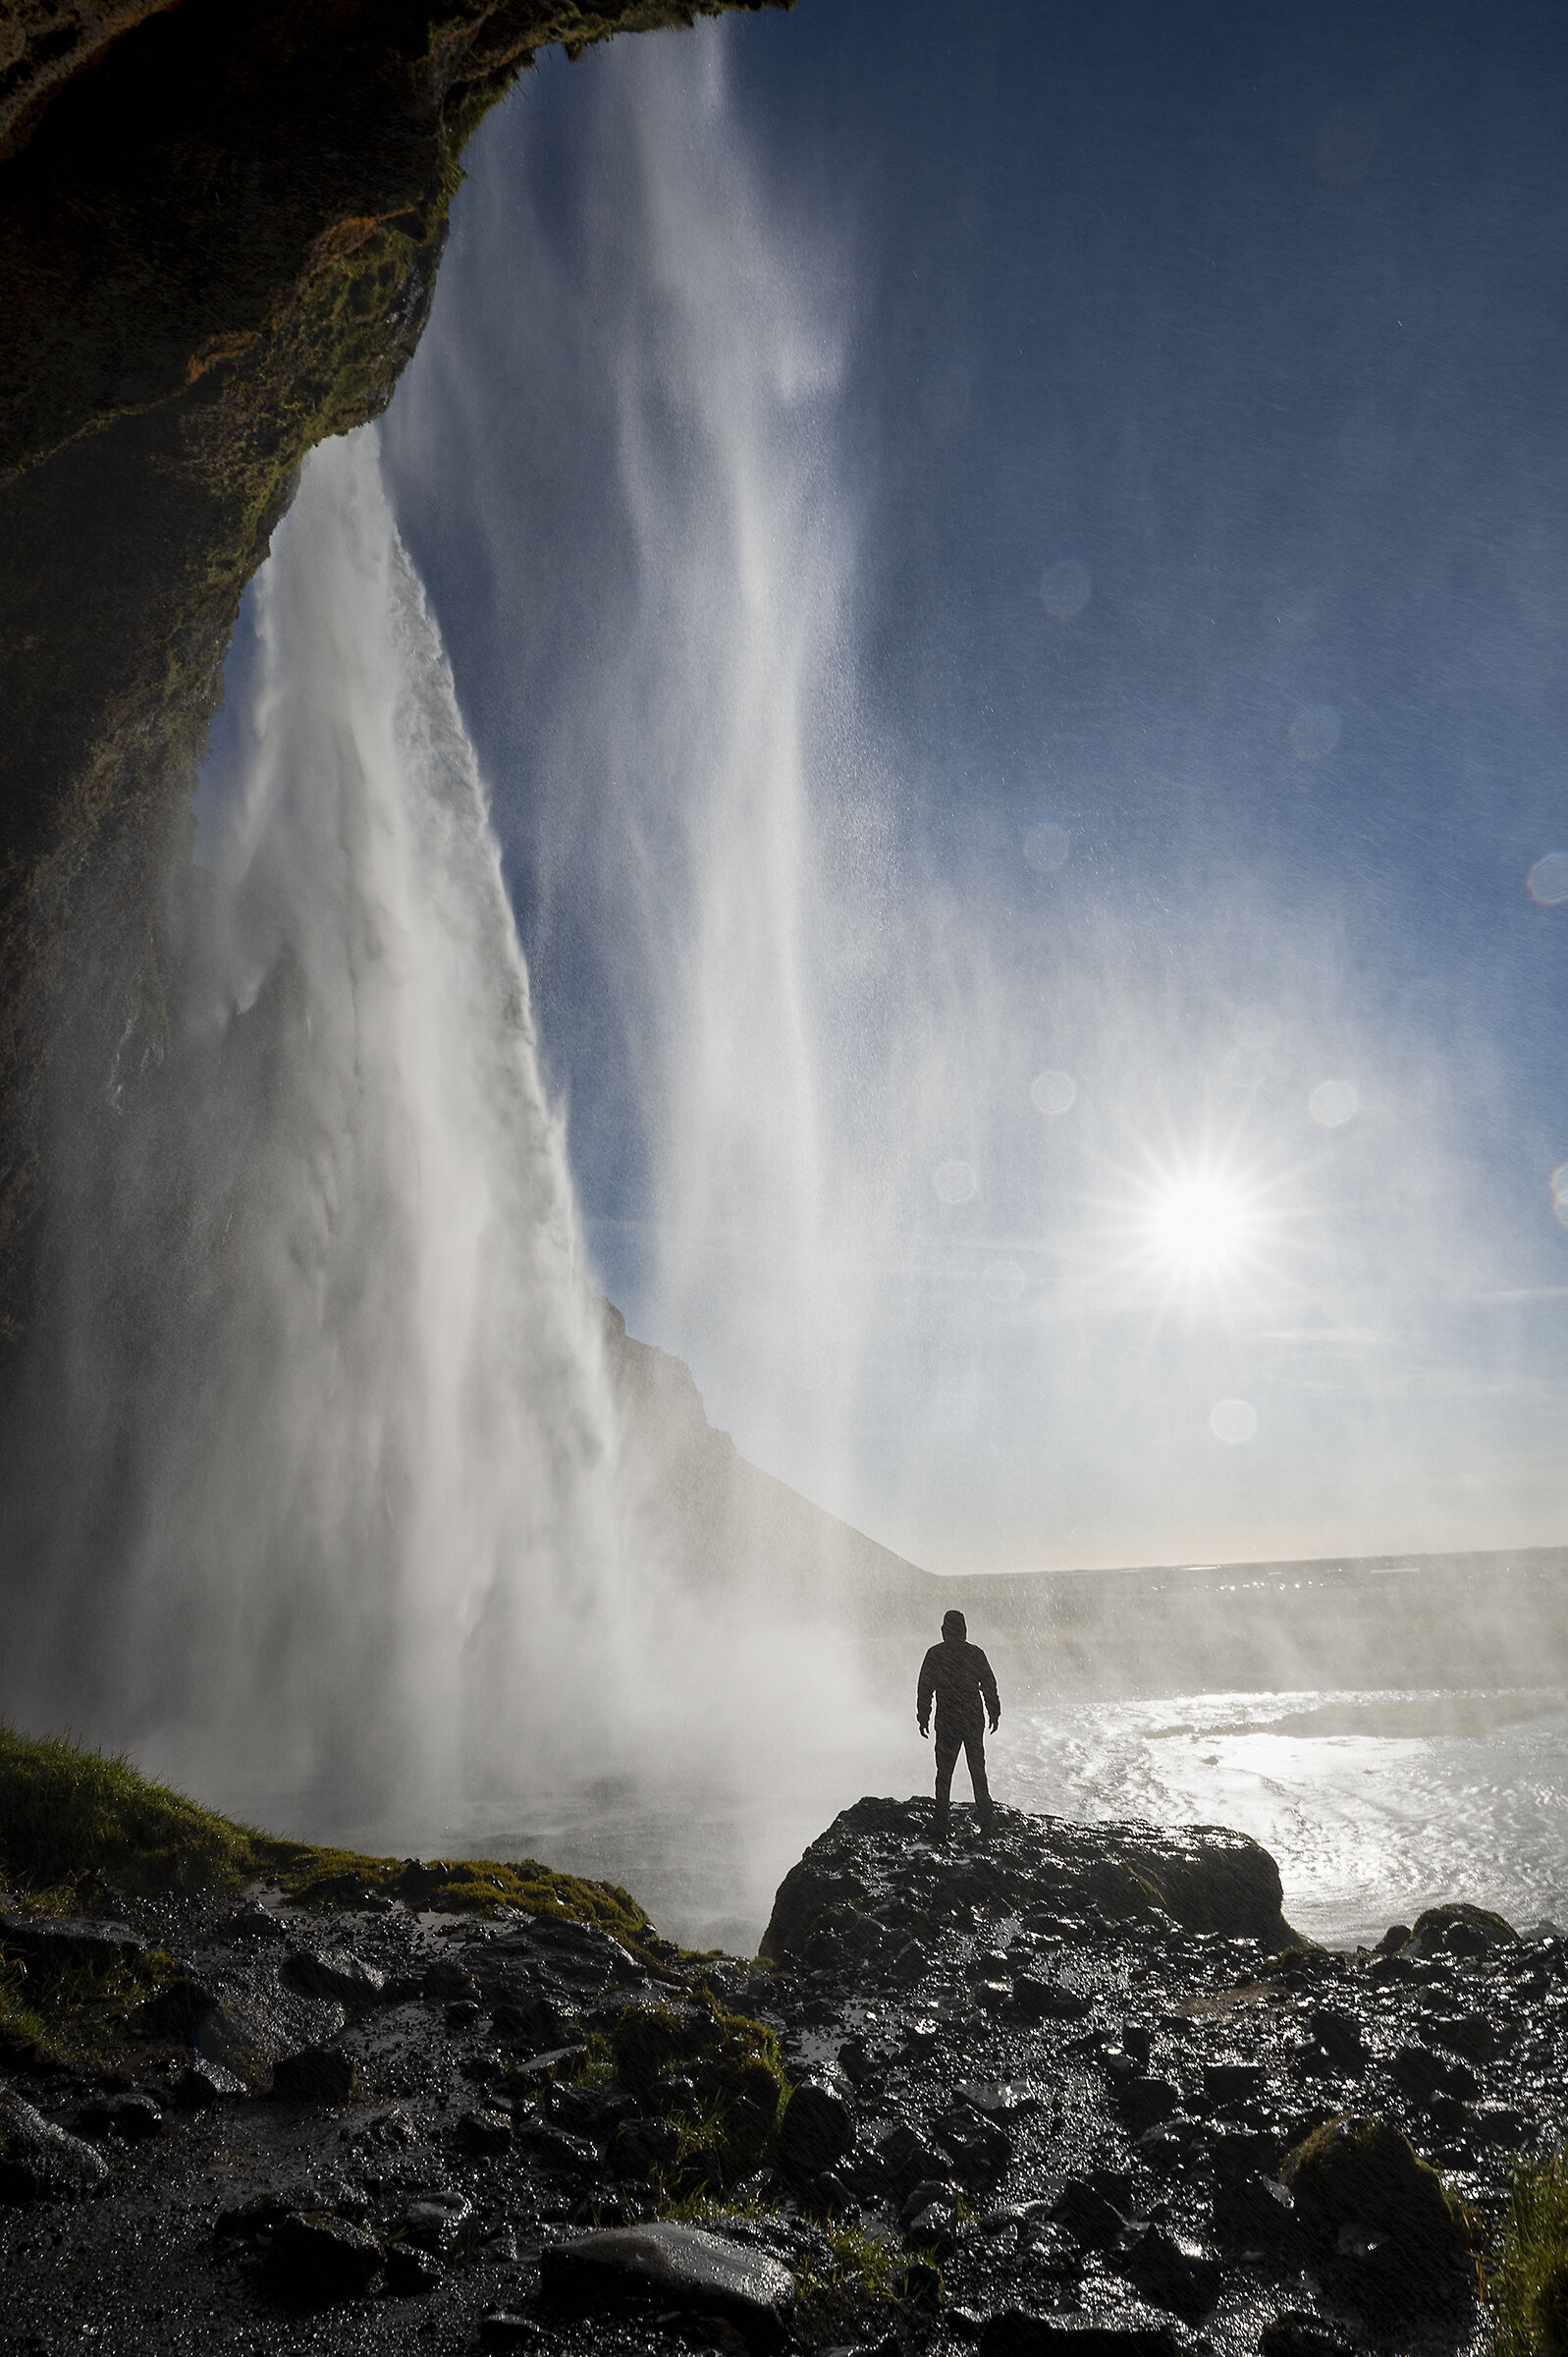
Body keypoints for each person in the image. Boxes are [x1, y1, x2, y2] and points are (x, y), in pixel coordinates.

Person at [916, 1608, 1000, 1842]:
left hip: (947, 1720)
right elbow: (989, 1685)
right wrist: (994, 1711)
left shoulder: (935, 1654)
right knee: (977, 1771)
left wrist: (923, 1716)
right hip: (972, 1719)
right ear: (964, 1631)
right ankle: (987, 1823)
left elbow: (925, 1689)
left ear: (944, 1631)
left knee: (944, 1774)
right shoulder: (975, 1654)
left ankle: (941, 1824)